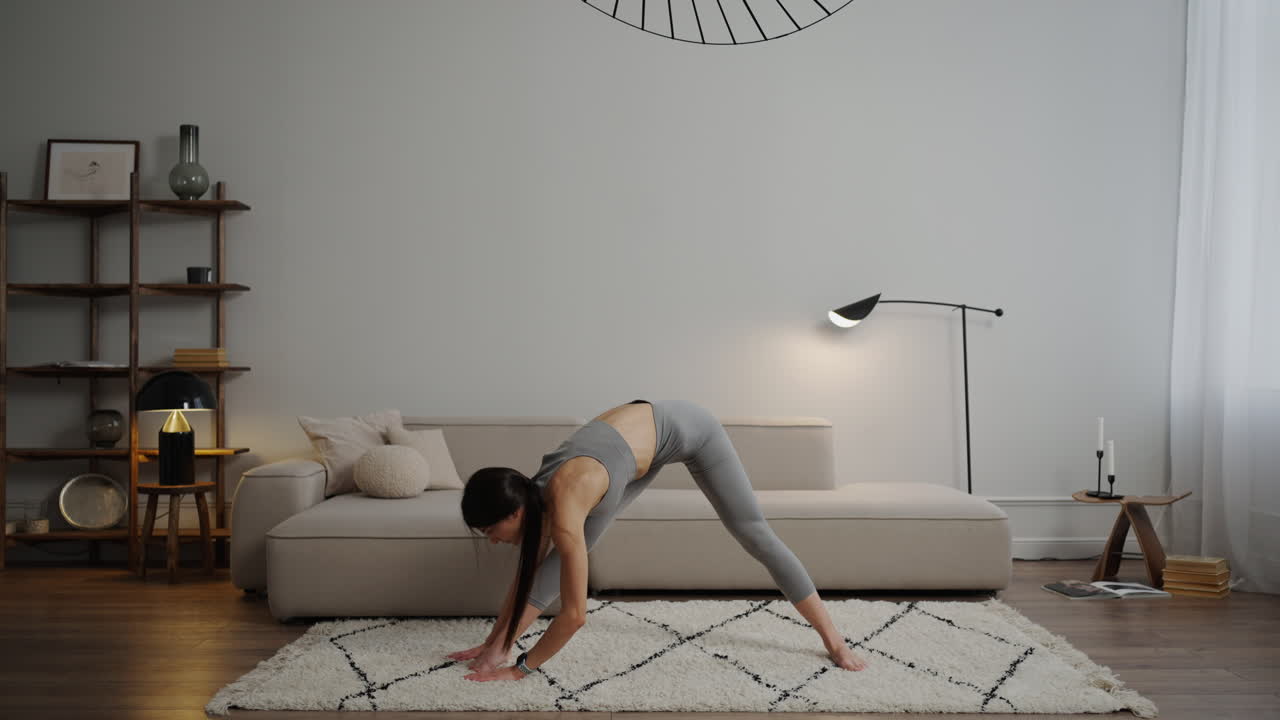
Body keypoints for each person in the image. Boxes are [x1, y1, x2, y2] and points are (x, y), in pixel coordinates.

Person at [447, 399, 869, 682]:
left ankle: (834, 639)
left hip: (688, 430)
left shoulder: (566, 504)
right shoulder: (531, 495)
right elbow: (529, 579)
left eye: (490, 531)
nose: (492, 541)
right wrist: (492, 644)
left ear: (515, 513)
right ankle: (496, 646)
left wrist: (522, 668)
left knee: (753, 533)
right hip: (627, 454)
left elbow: (574, 615)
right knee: (547, 568)